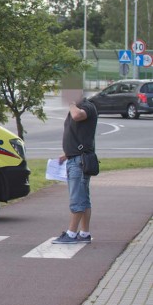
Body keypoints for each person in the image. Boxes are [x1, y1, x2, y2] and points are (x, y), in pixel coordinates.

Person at [53, 92, 98, 244]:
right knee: (84, 199)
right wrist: (67, 154)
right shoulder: (78, 108)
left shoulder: (87, 107)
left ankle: (71, 234)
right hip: (75, 158)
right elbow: (80, 136)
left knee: (77, 198)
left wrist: (72, 103)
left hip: (79, 161)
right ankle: (84, 233)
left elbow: (78, 116)